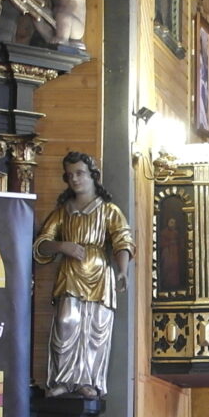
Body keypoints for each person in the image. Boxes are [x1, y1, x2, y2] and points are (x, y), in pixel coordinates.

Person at [35, 151, 133, 398]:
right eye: (70, 175)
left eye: (80, 173)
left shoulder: (109, 210)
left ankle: (88, 382)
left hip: (99, 277)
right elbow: (41, 244)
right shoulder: (63, 212)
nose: (75, 179)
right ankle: (62, 380)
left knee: (95, 329)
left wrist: (122, 270)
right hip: (69, 275)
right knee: (65, 322)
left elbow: (122, 240)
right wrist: (61, 246)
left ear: (93, 176)